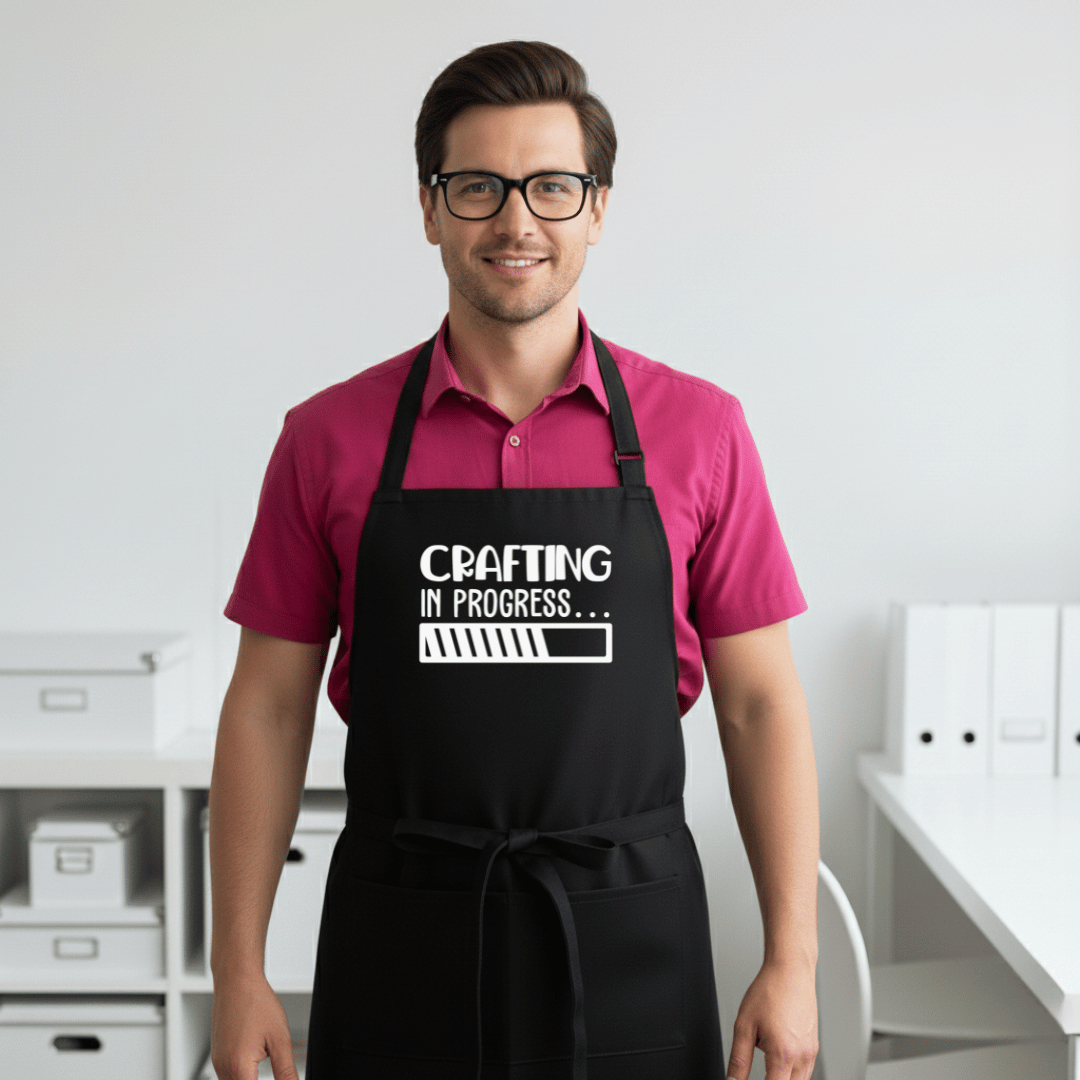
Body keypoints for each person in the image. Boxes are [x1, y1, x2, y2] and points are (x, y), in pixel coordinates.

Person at [209, 40, 819, 1080]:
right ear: (431, 207)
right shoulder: (327, 439)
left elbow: (760, 706)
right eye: (479, 187)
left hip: (631, 931)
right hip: (403, 929)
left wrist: (793, 962)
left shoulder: (702, 432)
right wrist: (238, 975)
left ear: (597, 206)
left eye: (551, 185)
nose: (516, 221)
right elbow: (267, 707)